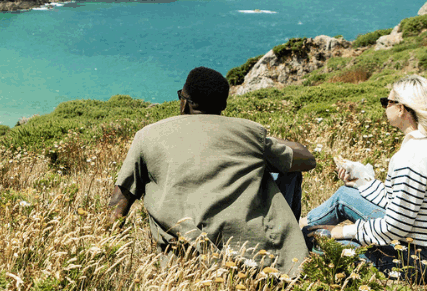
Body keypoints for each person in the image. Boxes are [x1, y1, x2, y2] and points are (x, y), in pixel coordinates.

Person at [109, 67, 317, 275]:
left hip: (184, 260)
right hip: (257, 258)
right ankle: (289, 244)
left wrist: (106, 252)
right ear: (223, 105)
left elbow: (119, 202)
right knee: (285, 169)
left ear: (185, 102)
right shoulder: (250, 132)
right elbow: (307, 159)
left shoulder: (147, 136)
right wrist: (263, 142)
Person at [300, 74, 427, 283]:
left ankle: (301, 233)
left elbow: (395, 227)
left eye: (387, 102)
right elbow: (399, 201)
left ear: (401, 108)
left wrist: (340, 232)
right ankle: (304, 225)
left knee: (325, 243)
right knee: (346, 193)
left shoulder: (411, 157)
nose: (385, 107)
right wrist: (361, 183)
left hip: (421, 260)